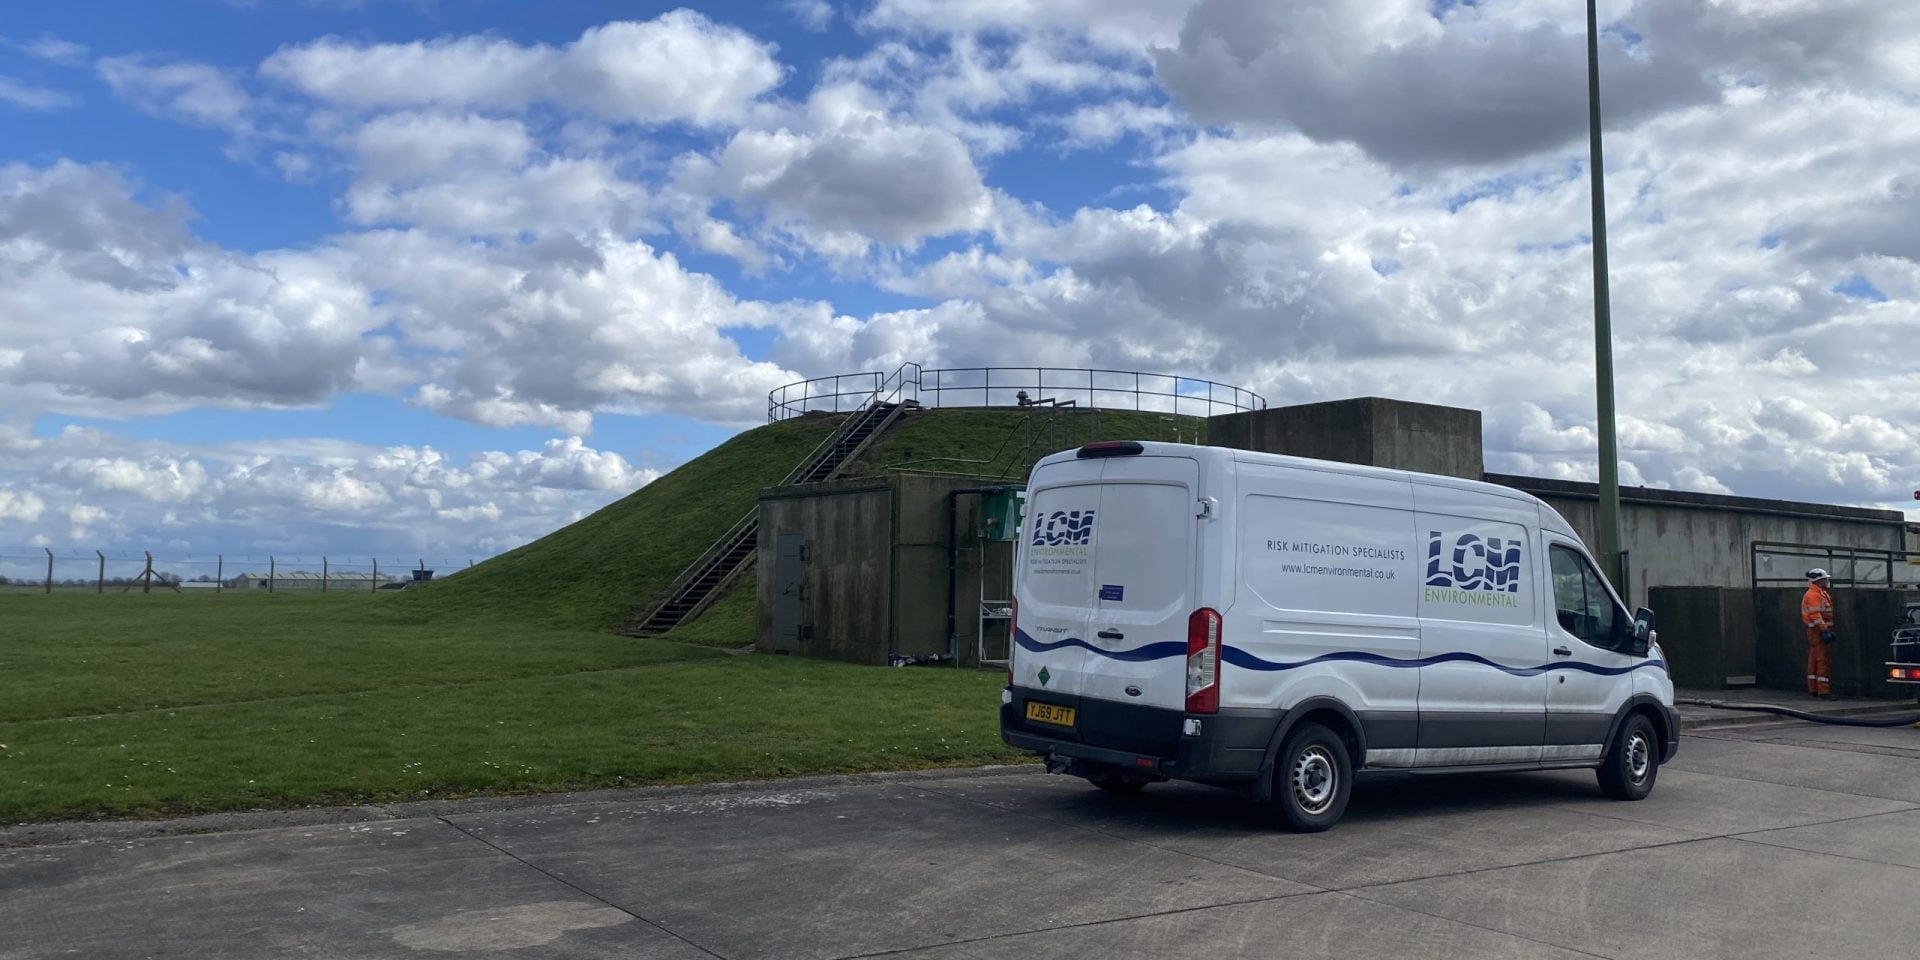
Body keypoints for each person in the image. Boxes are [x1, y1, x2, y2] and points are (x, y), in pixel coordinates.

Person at [1800, 568, 1836, 697]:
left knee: (1815, 660)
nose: (1827, 581)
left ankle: (1814, 688)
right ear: (1819, 580)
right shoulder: (1813, 595)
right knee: (1822, 661)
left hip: (1818, 630)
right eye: (1825, 579)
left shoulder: (1819, 593)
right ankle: (1823, 690)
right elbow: (1815, 615)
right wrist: (1825, 630)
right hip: (1818, 631)